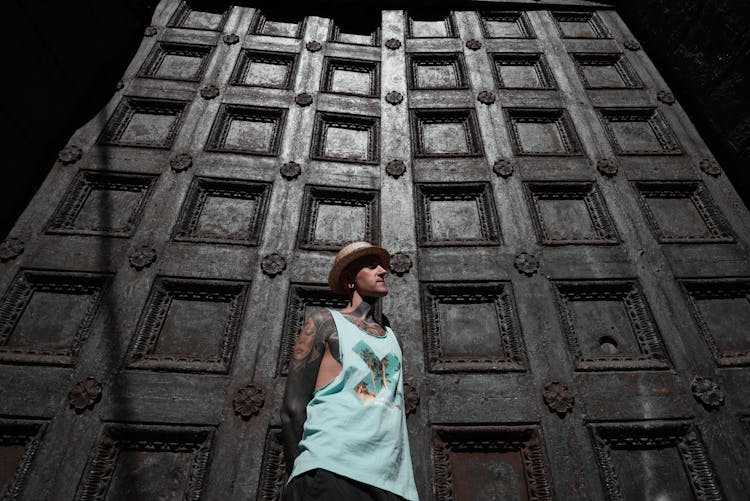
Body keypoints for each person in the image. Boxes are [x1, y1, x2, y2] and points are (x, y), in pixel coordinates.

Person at [280, 241, 419, 501]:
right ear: (350, 281)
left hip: (393, 482)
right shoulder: (324, 323)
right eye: (371, 266)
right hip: (331, 471)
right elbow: (292, 410)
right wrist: (301, 472)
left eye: (382, 266)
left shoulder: (391, 336)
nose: (383, 271)